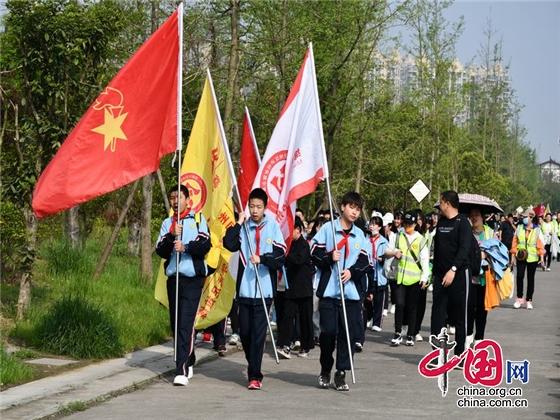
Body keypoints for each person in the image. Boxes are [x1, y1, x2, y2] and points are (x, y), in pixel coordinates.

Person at [223, 188, 286, 390]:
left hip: (264, 291)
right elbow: (229, 243)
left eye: (258, 207)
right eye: (251, 206)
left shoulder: (273, 228)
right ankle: (253, 364)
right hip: (244, 290)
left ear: (265, 208)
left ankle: (255, 375)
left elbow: (280, 257)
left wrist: (263, 259)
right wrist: (239, 222)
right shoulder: (243, 228)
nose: (255, 210)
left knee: (259, 334)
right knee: (246, 333)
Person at [310, 192, 371, 391]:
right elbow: (313, 252)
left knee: (348, 334)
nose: (354, 212)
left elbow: (366, 261)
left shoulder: (360, 234)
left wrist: (351, 272)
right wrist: (329, 257)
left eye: (357, 209)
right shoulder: (328, 230)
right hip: (329, 293)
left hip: (351, 295)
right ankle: (325, 368)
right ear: (343, 207)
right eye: (351, 207)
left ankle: (341, 372)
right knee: (328, 333)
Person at [155, 184, 211, 386]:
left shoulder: (198, 220)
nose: (175, 201)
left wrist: (186, 247)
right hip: (174, 280)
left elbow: (205, 244)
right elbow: (160, 250)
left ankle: (181, 369)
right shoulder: (168, 223)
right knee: (176, 324)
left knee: (185, 323)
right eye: (172, 198)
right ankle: (189, 357)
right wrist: (171, 236)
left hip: (193, 280)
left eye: (179, 197)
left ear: (188, 200)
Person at [431, 190, 472, 361]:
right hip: (441, 275)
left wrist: (453, 269)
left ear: (447, 203)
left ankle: (460, 354)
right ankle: (436, 355)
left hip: (459, 274)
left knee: (459, 315)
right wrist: (435, 274)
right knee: (438, 315)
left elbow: (464, 249)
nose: (439, 206)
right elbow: (438, 249)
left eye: (441, 202)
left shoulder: (463, 223)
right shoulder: (441, 223)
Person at [276, 216, 315, 359]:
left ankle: (306, 346)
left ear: (298, 230)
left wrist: (286, 256)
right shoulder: (288, 245)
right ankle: (284, 344)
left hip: (304, 288)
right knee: (287, 316)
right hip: (291, 287)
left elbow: (298, 260)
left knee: (305, 318)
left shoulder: (304, 245)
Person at [391, 211, 429, 347]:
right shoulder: (398, 236)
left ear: (415, 224)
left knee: (412, 308)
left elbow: (424, 260)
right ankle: (397, 333)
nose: (407, 226)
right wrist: (395, 253)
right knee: (399, 305)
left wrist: (425, 277)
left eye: (410, 224)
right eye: (405, 223)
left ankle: (411, 334)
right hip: (400, 277)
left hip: (415, 279)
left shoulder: (421, 239)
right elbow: (389, 250)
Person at [466, 207, 495, 348]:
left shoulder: (490, 233)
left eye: (476, 214)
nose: (474, 217)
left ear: (482, 217)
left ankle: (479, 339)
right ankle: (469, 335)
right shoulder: (466, 233)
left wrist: (486, 255)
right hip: (469, 277)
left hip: (485, 278)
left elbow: (499, 252)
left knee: (482, 310)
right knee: (469, 308)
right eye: (472, 214)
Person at [510, 207, 545, 310]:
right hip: (521, 257)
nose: (524, 218)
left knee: (531, 279)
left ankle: (529, 300)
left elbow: (540, 245)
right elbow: (514, 243)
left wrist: (541, 258)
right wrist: (512, 257)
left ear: (531, 217)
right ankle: (519, 298)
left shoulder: (537, 230)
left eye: (526, 217)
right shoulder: (519, 228)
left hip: (532, 258)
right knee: (519, 277)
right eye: (524, 216)